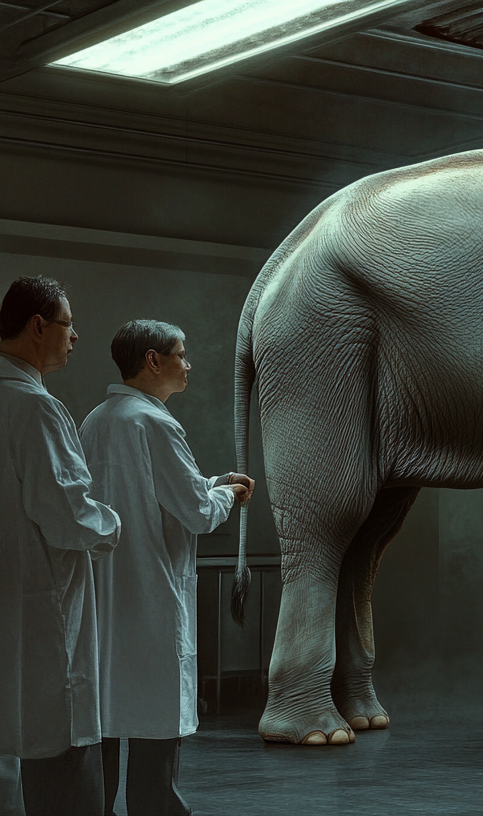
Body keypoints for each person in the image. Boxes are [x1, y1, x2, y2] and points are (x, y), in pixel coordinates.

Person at [80, 320, 253, 816]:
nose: (188, 364)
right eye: (181, 354)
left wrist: (212, 482)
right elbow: (196, 512)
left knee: (106, 727)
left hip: (106, 597)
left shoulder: (96, 420)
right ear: (153, 359)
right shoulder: (155, 422)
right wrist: (227, 492)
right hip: (152, 596)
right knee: (155, 739)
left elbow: (167, 493)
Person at [0, 276, 122, 816]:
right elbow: (70, 519)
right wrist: (114, 524)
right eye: (69, 324)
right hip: (42, 610)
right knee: (60, 750)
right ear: (38, 326)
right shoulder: (35, 408)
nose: (76, 337)